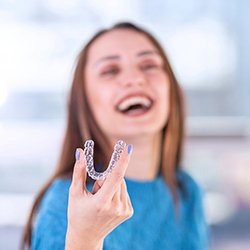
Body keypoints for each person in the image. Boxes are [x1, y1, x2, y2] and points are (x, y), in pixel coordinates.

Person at [22, 22, 209, 250]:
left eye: (149, 64)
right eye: (110, 70)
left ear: (171, 88)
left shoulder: (187, 192)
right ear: (85, 103)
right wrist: (84, 239)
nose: (134, 78)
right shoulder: (68, 202)